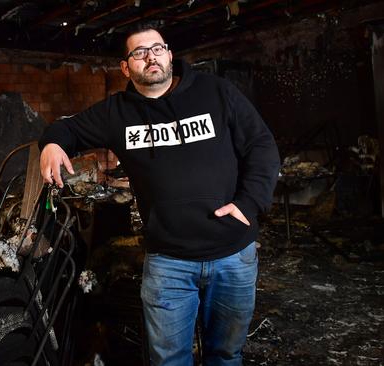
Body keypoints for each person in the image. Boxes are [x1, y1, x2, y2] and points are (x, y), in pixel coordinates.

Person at [38, 25, 280, 365]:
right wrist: (51, 144)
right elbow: (67, 127)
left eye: (157, 48)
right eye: (139, 52)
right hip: (169, 263)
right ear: (126, 67)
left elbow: (262, 146)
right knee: (168, 360)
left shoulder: (216, 92)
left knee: (226, 355)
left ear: (168, 53)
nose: (150, 56)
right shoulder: (117, 113)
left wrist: (250, 203)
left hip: (233, 256)